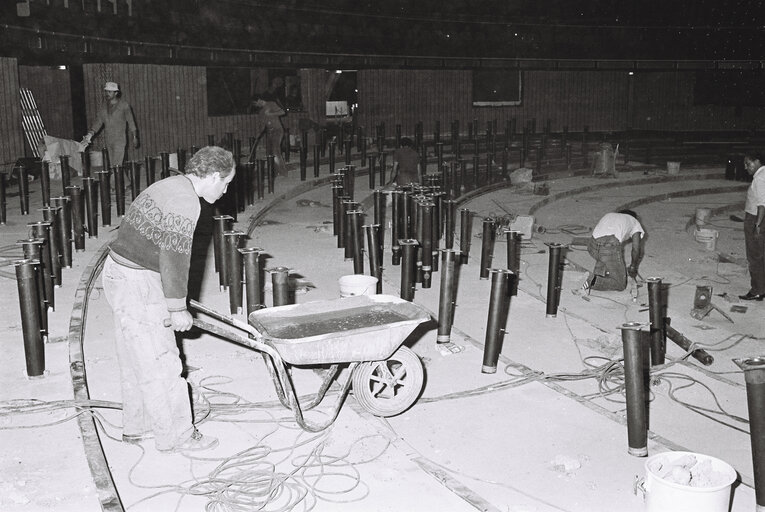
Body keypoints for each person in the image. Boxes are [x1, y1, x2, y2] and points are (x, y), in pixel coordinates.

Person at [101, 146, 236, 453]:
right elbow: (174, 257)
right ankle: (177, 435)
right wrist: (177, 308)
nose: (226, 190)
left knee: (136, 358)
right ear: (214, 176)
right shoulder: (186, 202)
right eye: (226, 183)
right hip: (136, 283)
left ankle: (137, 427)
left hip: (120, 273)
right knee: (163, 362)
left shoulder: (170, 185)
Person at [582, 209, 645, 293]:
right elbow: (636, 249)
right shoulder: (634, 222)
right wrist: (633, 266)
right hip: (607, 249)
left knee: (606, 257)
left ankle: (600, 273)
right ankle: (594, 281)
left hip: (592, 247)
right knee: (620, 284)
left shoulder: (609, 215)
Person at [82, 81, 138, 168]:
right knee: (113, 165)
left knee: (117, 165)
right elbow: (98, 122)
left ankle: (115, 181)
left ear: (116, 93)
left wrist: (135, 137)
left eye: (109, 92)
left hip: (120, 139)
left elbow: (131, 122)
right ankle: (125, 181)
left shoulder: (124, 105)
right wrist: (90, 134)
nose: (107, 94)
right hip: (109, 139)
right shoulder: (104, 107)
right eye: (106, 91)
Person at [740, 152, 765, 300]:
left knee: (754, 256)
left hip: (756, 218)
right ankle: (761, 288)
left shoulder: (760, 178)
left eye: (748, 164)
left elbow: (762, 205)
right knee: (761, 255)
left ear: (757, 162)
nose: (745, 167)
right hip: (759, 219)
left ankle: (757, 290)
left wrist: (757, 225)